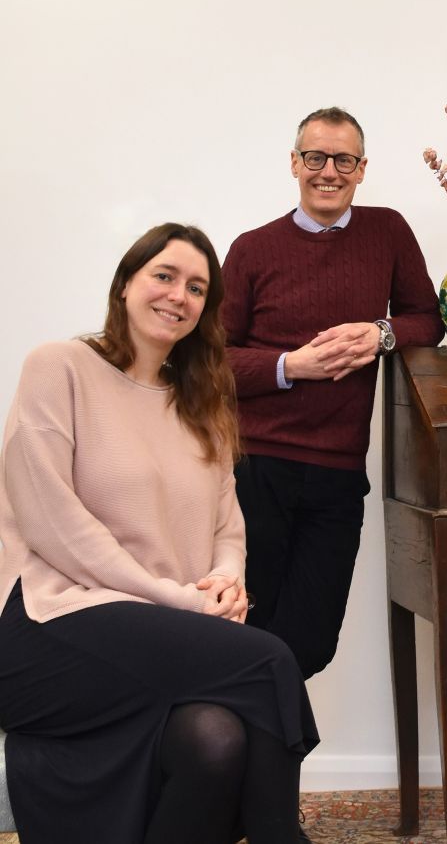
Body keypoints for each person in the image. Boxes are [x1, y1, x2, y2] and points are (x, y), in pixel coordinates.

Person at [0, 223, 319, 844]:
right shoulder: (60, 366)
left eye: (197, 288)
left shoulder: (202, 403)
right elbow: (53, 522)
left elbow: (228, 524)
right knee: (269, 659)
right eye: (164, 276)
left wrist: (226, 580)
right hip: (49, 624)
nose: (179, 295)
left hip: (157, 631)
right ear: (125, 284)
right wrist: (181, 601)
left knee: (214, 740)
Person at [221, 106, 444, 679]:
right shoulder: (251, 249)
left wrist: (380, 333)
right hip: (257, 468)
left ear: (362, 169)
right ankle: (248, 738)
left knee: (312, 642)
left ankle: (259, 730)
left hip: (338, 472)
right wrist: (292, 365)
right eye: (316, 157)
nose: (329, 171)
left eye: (344, 160)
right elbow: (210, 362)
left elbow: (428, 319)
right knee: (245, 630)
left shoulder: (387, 231)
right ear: (294, 163)